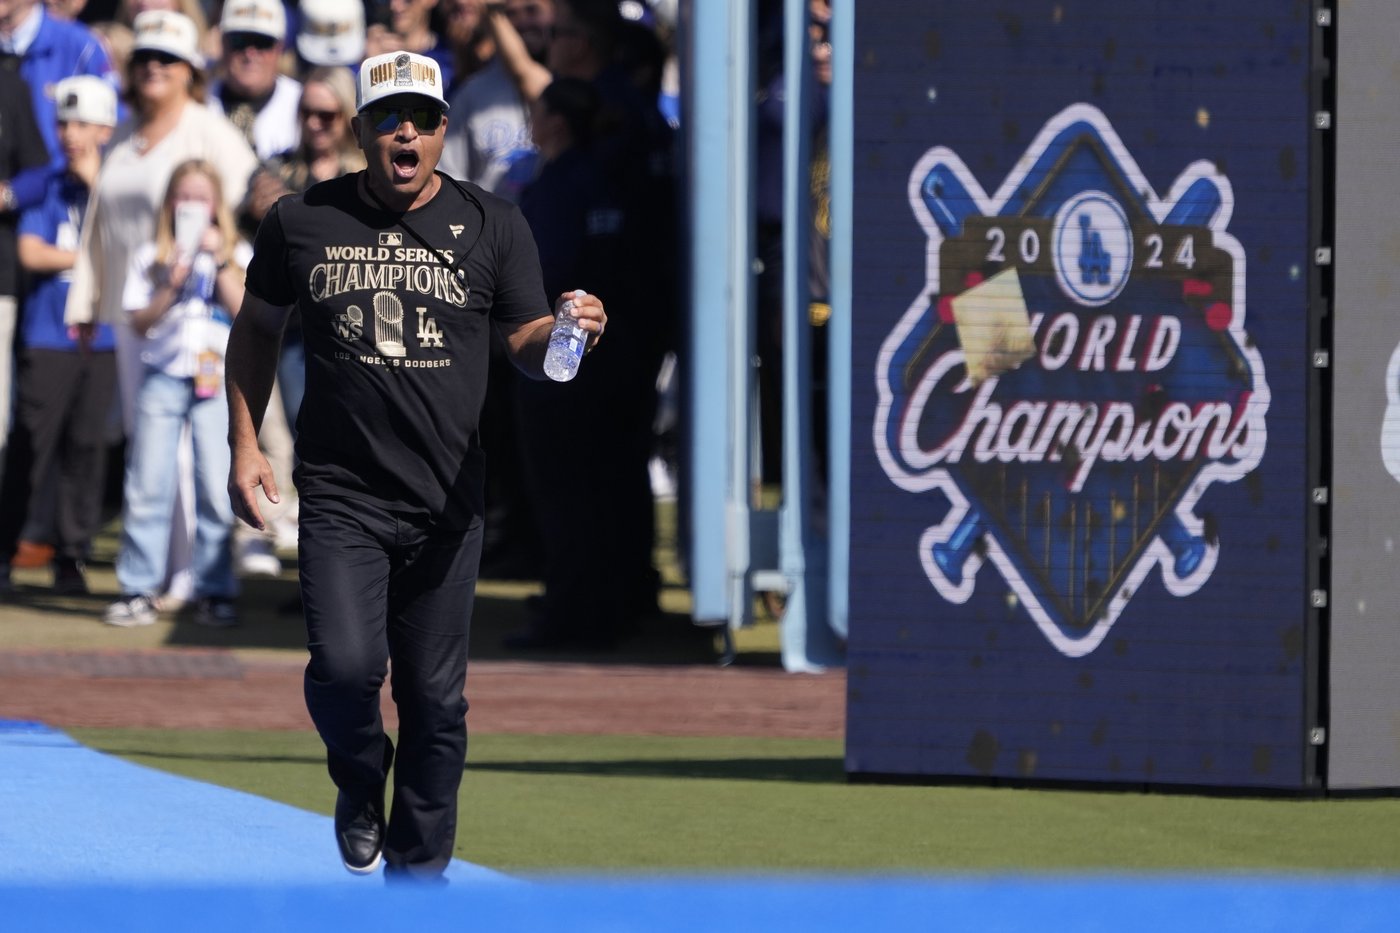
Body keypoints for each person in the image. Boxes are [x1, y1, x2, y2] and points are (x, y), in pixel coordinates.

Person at [224, 49, 605, 880]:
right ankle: (359, 777)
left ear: (443, 132)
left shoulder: (495, 222)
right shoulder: (301, 220)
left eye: (424, 119)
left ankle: (418, 880)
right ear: (361, 131)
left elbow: (526, 346)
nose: (407, 131)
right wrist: (246, 444)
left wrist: (570, 331)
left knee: (436, 703)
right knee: (346, 670)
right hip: (341, 492)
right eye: (388, 118)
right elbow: (256, 329)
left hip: (448, 501)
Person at [65, 9, 257, 610]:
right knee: (150, 456)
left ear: (189, 71)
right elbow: (100, 223)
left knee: (192, 461)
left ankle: (192, 579)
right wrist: (87, 298)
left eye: (167, 59)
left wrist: (223, 259)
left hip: (199, 326)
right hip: (133, 312)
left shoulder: (211, 131)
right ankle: (162, 575)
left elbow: (249, 204)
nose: (153, 67)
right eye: (144, 56)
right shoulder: (122, 133)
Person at [105, 158, 247, 628]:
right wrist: (170, 284)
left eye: (200, 198)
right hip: (163, 375)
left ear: (216, 206)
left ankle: (214, 589)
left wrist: (220, 258)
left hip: (216, 379)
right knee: (147, 483)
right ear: (169, 203)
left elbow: (248, 311)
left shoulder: (234, 250)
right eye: (182, 197)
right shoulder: (152, 256)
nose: (190, 206)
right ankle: (138, 588)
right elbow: (138, 321)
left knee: (214, 485)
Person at [0, 75, 105, 595]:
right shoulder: (46, 182)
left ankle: (73, 555)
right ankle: (5, 550)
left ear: (107, 129)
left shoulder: (120, 184)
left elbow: (132, 248)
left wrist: (98, 185)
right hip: (48, 331)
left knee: (86, 449)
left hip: (103, 337)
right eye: (64, 122)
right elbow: (31, 252)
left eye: (83, 123)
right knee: (29, 446)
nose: (70, 134)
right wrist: (90, 259)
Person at [209, 0, 301, 161]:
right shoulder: (199, 100)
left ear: (279, 47)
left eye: (262, 42)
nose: (250, 54)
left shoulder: (302, 105)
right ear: (223, 43)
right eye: (239, 41)